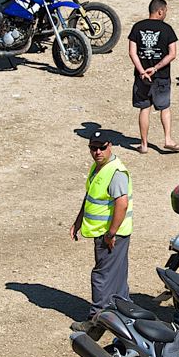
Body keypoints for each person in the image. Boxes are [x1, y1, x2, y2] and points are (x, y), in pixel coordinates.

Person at [72, 133, 132, 324]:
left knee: (102, 276)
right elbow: (91, 196)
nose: (97, 152)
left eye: (102, 148)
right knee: (116, 275)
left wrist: (111, 233)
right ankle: (123, 313)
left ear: (110, 146)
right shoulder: (98, 167)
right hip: (106, 232)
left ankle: (96, 320)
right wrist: (78, 220)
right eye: (93, 148)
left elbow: (122, 204)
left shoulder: (115, 172)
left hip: (110, 234)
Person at [127, 0, 179, 154]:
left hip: (141, 77)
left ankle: (144, 144)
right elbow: (172, 54)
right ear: (160, 11)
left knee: (144, 108)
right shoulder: (167, 29)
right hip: (161, 76)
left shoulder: (137, 27)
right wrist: (155, 68)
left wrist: (142, 71)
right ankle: (168, 139)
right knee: (165, 108)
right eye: (166, 11)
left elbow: (132, 52)